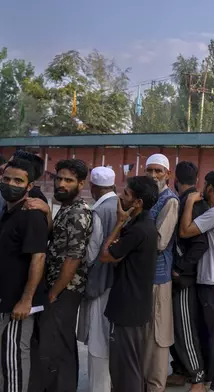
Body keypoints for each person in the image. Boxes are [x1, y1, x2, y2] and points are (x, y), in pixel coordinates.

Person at [30, 159, 93, 392]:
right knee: (56, 343)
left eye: (69, 180)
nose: (61, 184)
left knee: (57, 346)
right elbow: (53, 239)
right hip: (57, 287)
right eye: (59, 178)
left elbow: (74, 258)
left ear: (81, 183)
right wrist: (47, 211)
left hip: (64, 290)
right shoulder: (66, 208)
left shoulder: (78, 212)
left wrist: (55, 292)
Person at [99, 176, 159, 392]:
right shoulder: (144, 224)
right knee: (128, 366)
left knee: (126, 368)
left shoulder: (138, 229)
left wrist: (118, 223)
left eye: (125, 194)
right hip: (135, 306)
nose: (120, 197)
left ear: (138, 203)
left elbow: (105, 255)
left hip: (128, 307)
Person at [179, 170, 214, 392]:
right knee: (210, 335)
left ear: (210, 188)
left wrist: (189, 202)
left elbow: (185, 231)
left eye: (205, 185)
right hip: (210, 282)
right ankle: (212, 380)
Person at [0, 158, 49, 392]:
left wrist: (26, 300)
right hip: (5, 300)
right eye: (7, 178)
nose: (11, 184)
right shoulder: (8, 211)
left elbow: (38, 258)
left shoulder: (31, 214)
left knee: (14, 359)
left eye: (18, 180)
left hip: (17, 305)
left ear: (30, 186)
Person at [166, 162, 210, 390]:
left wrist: (180, 268)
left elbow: (200, 244)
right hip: (177, 277)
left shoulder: (194, 203)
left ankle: (198, 378)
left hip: (185, 279)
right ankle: (181, 370)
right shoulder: (185, 200)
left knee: (185, 329)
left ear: (175, 179)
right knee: (174, 329)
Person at [76, 166, 119, 392]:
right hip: (117, 282)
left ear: (93, 187)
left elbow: (91, 253)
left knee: (98, 341)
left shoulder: (99, 211)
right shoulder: (121, 205)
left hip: (100, 282)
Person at [144, 153, 179, 392]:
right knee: (144, 334)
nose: (154, 175)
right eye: (150, 171)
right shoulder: (148, 197)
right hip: (144, 277)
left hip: (159, 277)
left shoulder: (170, 200)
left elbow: (159, 242)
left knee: (158, 335)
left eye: (159, 171)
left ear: (168, 174)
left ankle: (155, 386)